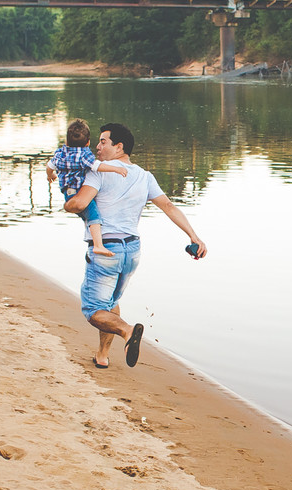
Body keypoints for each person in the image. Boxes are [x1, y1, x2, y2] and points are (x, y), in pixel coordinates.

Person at [64, 122, 207, 369]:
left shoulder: (99, 172)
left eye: (103, 142)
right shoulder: (145, 176)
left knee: (93, 310)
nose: (97, 147)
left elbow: (79, 204)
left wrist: (67, 203)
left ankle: (127, 331)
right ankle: (102, 355)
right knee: (110, 302)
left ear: (119, 147)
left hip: (106, 249)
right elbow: (168, 206)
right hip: (132, 251)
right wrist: (194, 236)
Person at [47, 119, 129, 258]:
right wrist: (116, 169)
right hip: (80, 192)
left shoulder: (60, 154)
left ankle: (95, 240)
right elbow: (97, 166)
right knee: (94, 216)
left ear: (66, 141)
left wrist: (50, 175)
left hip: (67, 193)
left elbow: (49, 166)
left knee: (87, 215)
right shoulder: (84, 155)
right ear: (88, 143)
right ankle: (98, 245)